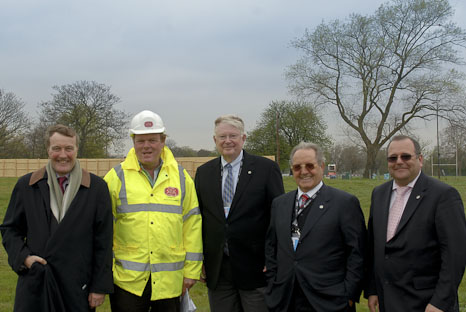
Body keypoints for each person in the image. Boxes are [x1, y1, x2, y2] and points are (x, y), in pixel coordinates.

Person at [0, 124, 113, 311]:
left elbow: (104, 240)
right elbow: (10, 229)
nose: (63, 155)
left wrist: (99, 286)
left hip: (77, 287)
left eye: (69, 148)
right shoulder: (27, 185)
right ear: (48, 149)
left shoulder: (97, 188)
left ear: (76, 149)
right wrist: (25, 258)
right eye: (56, 148)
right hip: (36, 282)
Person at [104, 110, 202, 312]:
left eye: (152, 140)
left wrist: (191, 271)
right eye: (141, 140)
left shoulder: (182, 178)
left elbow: (191, 225)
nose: (146, 146)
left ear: (163, 141)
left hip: (170, 281)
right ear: (133, 141)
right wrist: (107, 270)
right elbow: (103, 229)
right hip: (127, 281)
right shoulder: (115, 177)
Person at [365, 135, 466, 312]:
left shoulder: (443, 195)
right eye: (392, 158)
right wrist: (373, 289)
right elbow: (375, 246)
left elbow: (455, 255)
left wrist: (440, 303)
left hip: (426, 303)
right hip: (387, 300)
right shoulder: (379, 193)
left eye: (405, 156)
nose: (399, 162)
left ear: (420, 159)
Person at [194, 115, 284, 312]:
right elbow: (199, 220)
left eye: (233, 136)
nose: (228, 141)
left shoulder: (266, 169)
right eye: (222, 136)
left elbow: (279, 216)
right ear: (214, 140)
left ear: (243, 138)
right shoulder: (203, 173)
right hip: (218, 269)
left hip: (256, 266)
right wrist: (199, 260)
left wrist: (274, 257)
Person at [265, 142, 366, 312]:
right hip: (285, 298)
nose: (304, 172)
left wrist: (348, 294)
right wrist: (272, 283)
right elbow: (271, 247)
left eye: (310, 166)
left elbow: (358, 253)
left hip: (329, 301)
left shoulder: (344, 203)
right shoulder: (280, 203)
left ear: (322, 166)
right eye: (297, 167)